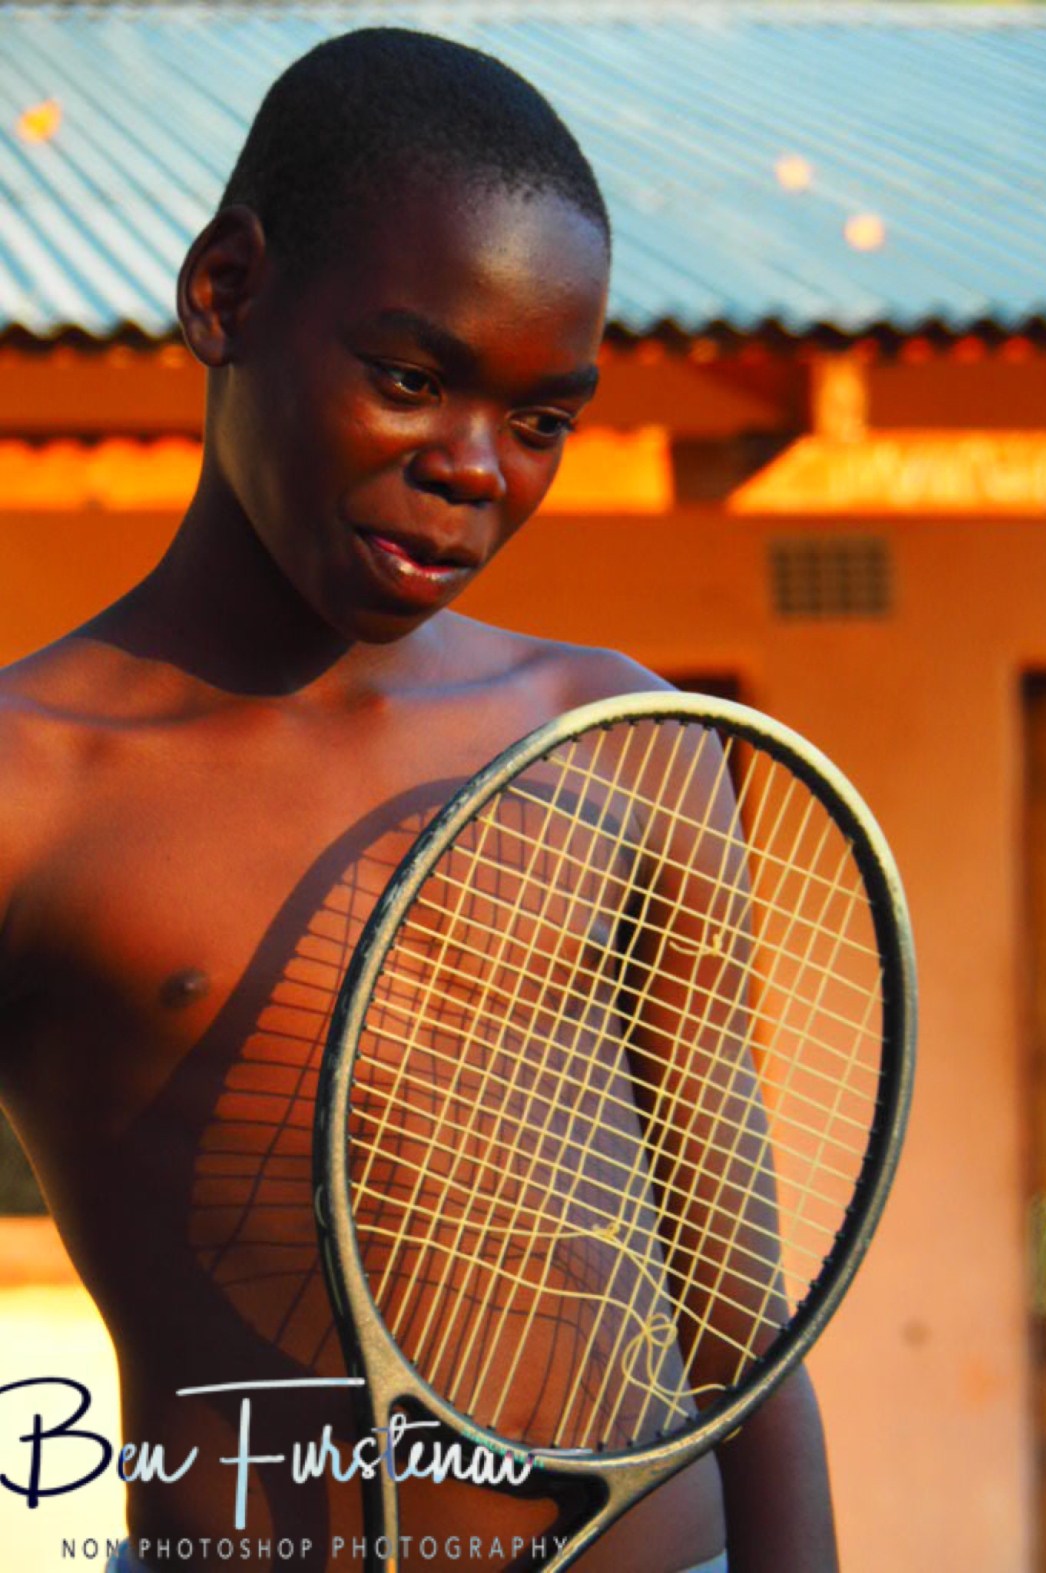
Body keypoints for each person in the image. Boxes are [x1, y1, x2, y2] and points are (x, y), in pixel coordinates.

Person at [0, 28, 838, 1573]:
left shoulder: (617, 738)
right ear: (227, 292)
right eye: (411, 378)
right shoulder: (28, 790)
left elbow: (738, 1309)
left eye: (542, 420)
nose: (477, 469)